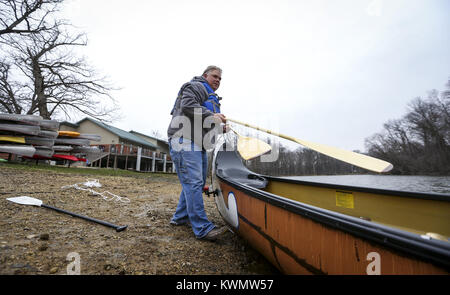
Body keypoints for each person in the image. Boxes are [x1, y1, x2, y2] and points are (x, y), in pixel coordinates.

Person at [167, 65, 228, 241]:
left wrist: (221, 127)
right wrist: (212, 116)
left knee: (195, 183)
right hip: (183, 139)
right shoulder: (196, 86)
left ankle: (180, 218)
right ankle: (202, 228)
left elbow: (204, 121)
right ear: (205, 75)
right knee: (194, 183)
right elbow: (187, 106)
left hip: (197, 143)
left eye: (220, 78)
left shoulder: (212, 97)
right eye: (215, 76)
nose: (217, 80)